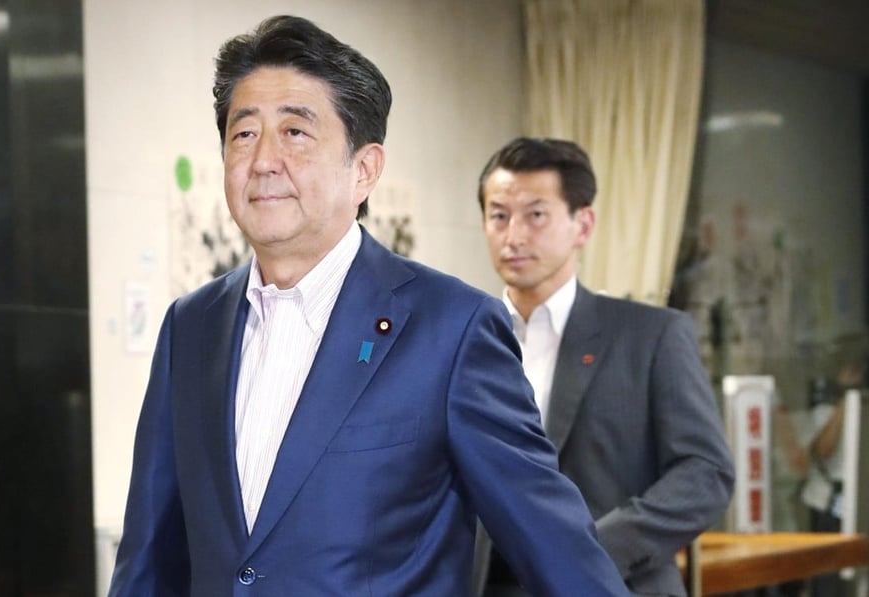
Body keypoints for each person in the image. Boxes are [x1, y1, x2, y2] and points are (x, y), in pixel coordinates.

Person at [108, 16, 629, 597]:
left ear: (364, 169)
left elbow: (554, 545)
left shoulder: (450, 329)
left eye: (296, 133)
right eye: (244, 133)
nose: (263, 160)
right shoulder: (191, 326)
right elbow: (149, 551)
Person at [474, 137, 735, 597]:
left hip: (615, 581)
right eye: (499, 216)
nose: (514, 235)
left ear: (583, 223)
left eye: (536, 215)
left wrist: (591, 551)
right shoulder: (462, 339)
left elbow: (705, 472)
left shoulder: (651, 336)